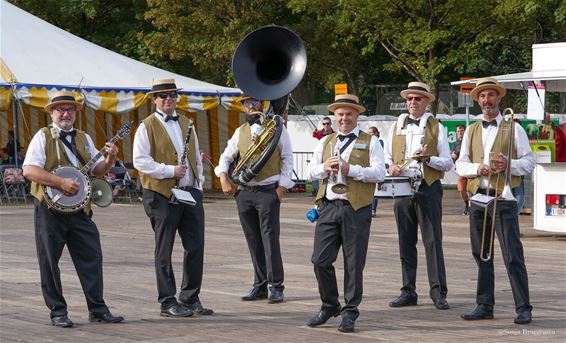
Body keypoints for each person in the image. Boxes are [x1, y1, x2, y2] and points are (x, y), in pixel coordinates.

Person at [22, 90, 124, 328]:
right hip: (50, 209)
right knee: (49, 261)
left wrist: (109, 160)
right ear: (52, 113)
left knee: (92, 256)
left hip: (79, 210)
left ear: (76, 113)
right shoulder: (42, 136)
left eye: (70, 109)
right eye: (60, 109)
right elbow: (29, 171)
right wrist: (59, 182)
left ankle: (97, 308)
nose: (65, 113)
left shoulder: (84, 138)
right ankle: (58, 311)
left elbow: (97, 171)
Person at [456, 77, 535, 325]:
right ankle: (484, 304)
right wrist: (477, 168)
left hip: (504, 198)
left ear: (500, 99)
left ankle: (523, 307)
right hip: (478, 198)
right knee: (481, 255)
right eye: (482, 96)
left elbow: (530, 163)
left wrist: (509, 164)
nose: (486, 100)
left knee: (512, 255)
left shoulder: (514, 127)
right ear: (478, 100)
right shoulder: (471, 129)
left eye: (491, 95)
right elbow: (460, 163)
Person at [133, 79, 213, 317]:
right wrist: (169, 171)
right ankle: (167, 301)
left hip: (189, 193)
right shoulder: (146, 126)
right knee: (164, 248)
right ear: (154, 100)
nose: (169, 99)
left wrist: (198, 185)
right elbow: (140, 161)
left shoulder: (187, 121)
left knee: (196, 246)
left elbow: (195, 156)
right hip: (161, 194)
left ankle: (189, 297)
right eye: (163, 95)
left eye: (172, 95)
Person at [306, 94, 385, 333]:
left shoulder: (370, 141)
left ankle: (350, 311)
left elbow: (380, 173)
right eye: (340, 114)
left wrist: (352, 170)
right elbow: (309, 172)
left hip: (356, 209)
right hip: (329, 206)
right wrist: (323, 168)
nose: (344, 118)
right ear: (335, 116)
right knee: (320, 260)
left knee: (353, 264)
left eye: (349, 114)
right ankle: (330, 304)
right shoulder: (325, 141)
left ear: (357, 115)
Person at [215, 95, 294, 304]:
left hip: (268, 190)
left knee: (270, 239)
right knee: (253, 240)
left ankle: (276, 286)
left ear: (262, 104)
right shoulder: (239, 131)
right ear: (242, 107)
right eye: (246, 103)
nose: (250, 106)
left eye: (255, 102)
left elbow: (287, 157)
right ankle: (259, 285)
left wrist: (282, 187)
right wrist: (223, 176)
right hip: (244, 192)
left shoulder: (277, 127)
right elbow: (226, 156)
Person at [384, 82, 453, 311]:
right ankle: (408, 290)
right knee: (405, 241)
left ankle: (438, 292)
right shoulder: (395, 126)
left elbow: (448, 162)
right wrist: (390, 167)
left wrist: (428, 159)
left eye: (418, 99)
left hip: (427, 187)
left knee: (433, 241)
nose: (413, 102)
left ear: (427, 102)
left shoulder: (436, 127)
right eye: (410, 99)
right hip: (402, 188)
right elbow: (385, 158)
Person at [311, 117, 335, 196]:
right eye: (324, 124)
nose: (326, 125)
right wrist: (314, 132)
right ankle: (318, 192)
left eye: (328, 124)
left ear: (331, 124)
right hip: (322, 158)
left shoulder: (335, 133)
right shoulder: (320, 133)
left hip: (330, 156)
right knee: (318, 173)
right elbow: (314, 135)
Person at [451, 124, 470, 215]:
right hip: (461, 170)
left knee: (471, 189)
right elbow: (452, 156)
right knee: (461, 189)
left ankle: (472, 207)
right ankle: (467, 204)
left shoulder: (469, 141)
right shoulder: (455, 143)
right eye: (458, 131)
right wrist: (452, 156)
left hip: (470, 169)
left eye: (461, 131)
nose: (459, 133)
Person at [368, 126, 383, 217]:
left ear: (376, 133)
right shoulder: (368, 142)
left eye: (371, 133)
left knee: (375, 191)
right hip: (368, 168)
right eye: (368, 133)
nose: (369, 134)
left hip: (376, 168)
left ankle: (373, 209)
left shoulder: (379, 142)